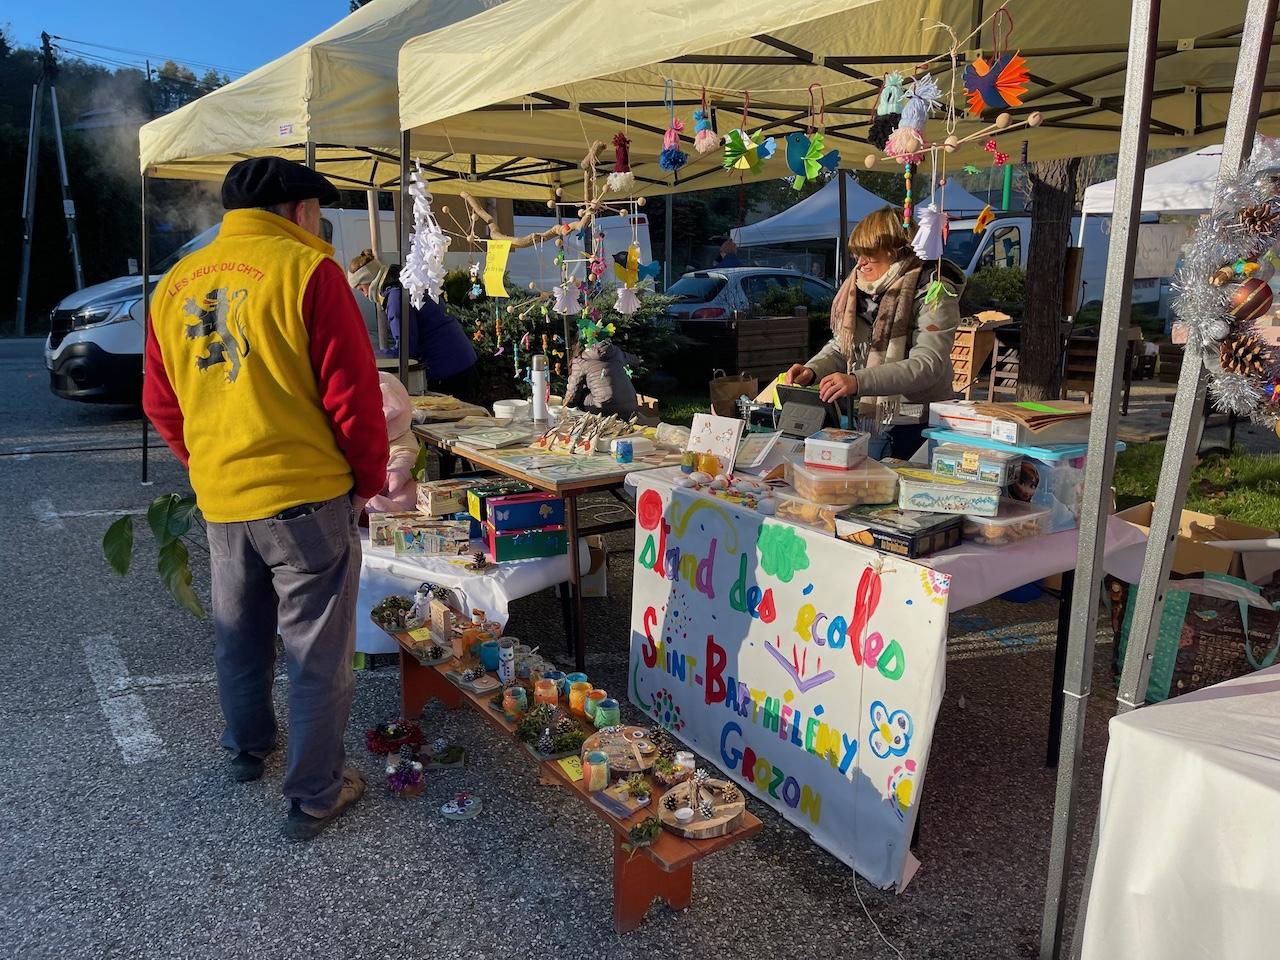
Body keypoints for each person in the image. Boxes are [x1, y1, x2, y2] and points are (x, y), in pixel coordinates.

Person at [143, 157, 388, 841]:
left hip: (222, 498)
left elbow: (161, 404)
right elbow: (354, 400)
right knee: (317, 650)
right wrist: (367, 481)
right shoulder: (309, 271)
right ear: (302, 211)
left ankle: (247, 749)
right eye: (321, 215)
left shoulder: (173, 285)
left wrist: (208, 464)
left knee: (239, 633)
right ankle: (315, 794)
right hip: (307, 498)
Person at [785, 206, 964, 459]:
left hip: (919, 424)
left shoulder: (934, 290)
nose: (860, 263)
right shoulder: (860, 288)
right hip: (873, 421)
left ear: (896, 253)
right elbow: (843, 345)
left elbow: (928, 364)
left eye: (870, 255)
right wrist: (813, 370)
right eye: (858, 254)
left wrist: (858, 381)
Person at [347, 250, 477, 400]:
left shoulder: (396, 298)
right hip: (459, 361)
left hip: (448, 370)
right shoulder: (404, 284)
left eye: (362, 289)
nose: (365, 295)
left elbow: (406, 349)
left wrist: (368, 355)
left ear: (370, 280)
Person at [563, 338, 639, 419]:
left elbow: (572, 396)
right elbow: (635, 360)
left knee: (581, 393)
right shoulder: (617, 351)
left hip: (604, 410)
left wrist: (566, 404)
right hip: (631, 408)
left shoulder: (581, 359)